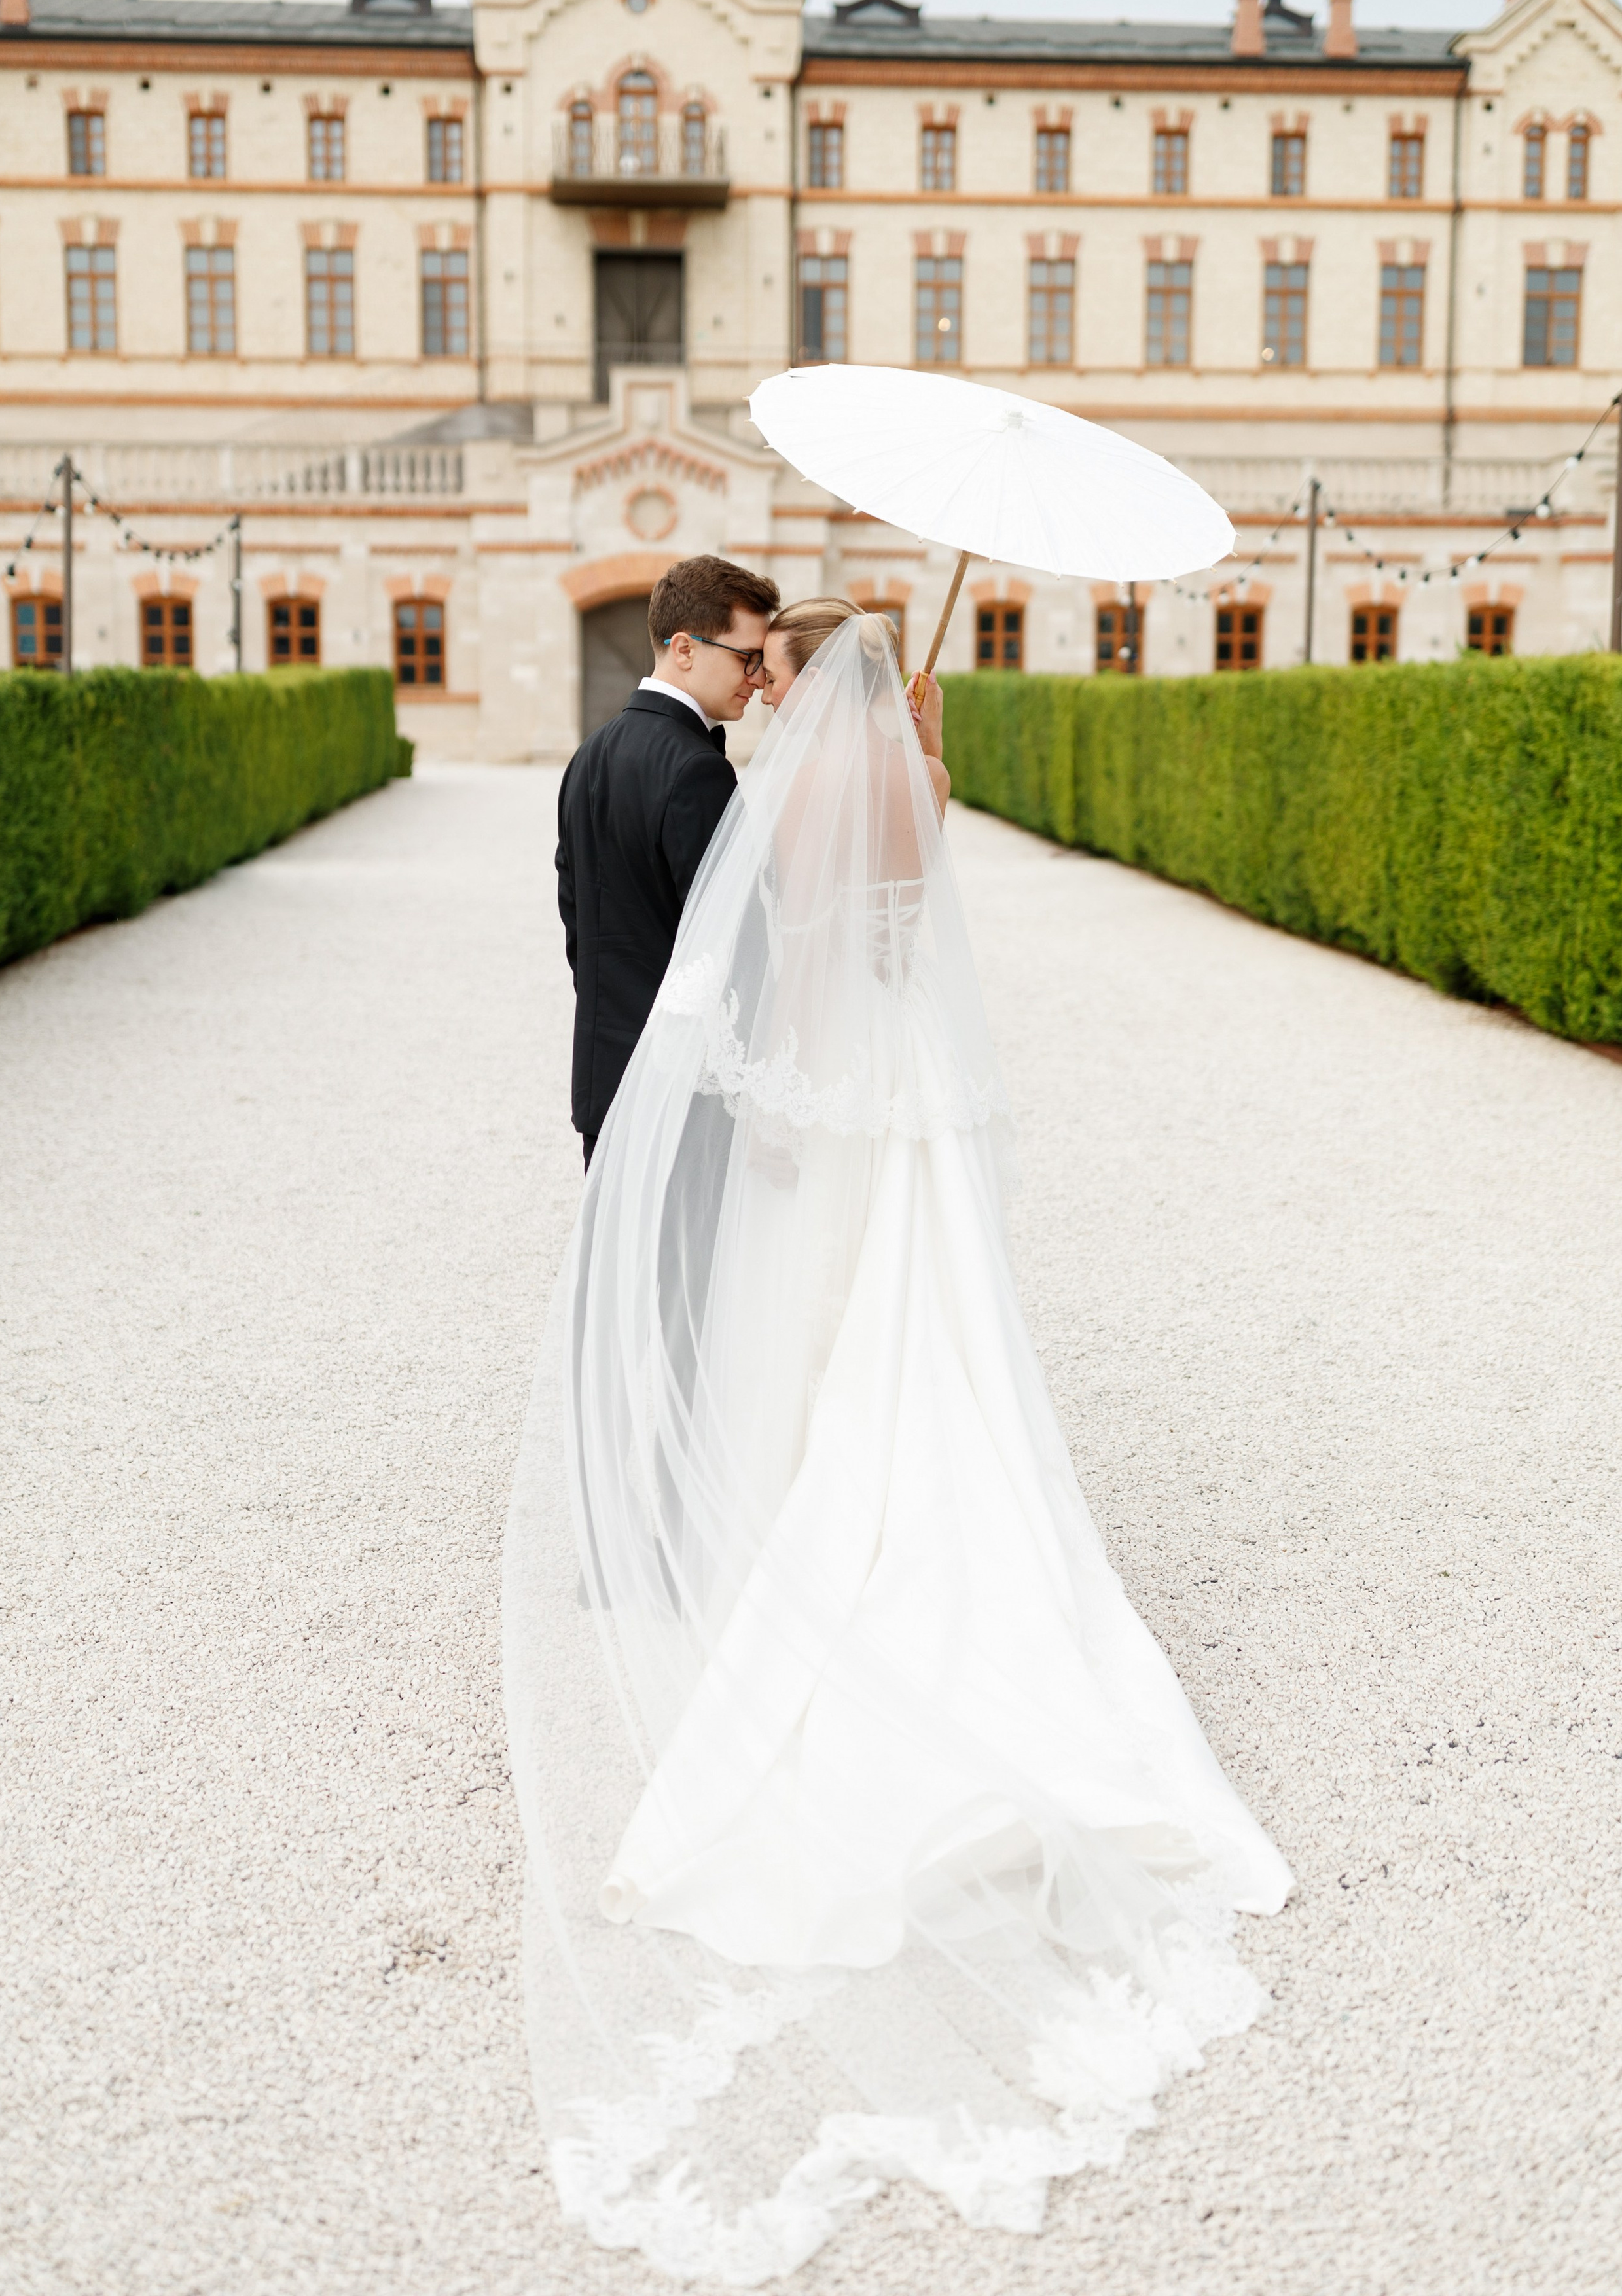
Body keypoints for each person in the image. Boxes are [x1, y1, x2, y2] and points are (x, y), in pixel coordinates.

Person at [506, 606, 1291, 2284]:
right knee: (933, 1331)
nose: (760, 688)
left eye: (774, 669)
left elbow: (786, 961)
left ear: (801, 680)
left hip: (842, 1079)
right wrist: (918, 748)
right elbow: (904, 920)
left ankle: (815, 1541)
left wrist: (762, 1100)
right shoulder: (918, 774)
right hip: (920, 1080)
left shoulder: (797, 781)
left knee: (821, 1331)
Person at [555, 555, 780, 1168]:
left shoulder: (590, 753)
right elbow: (734, 940)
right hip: (679, 1088)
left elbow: (577, 920)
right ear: (684, 648)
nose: (757, 678)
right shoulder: (698, 770)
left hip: (604, 1073)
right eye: (747, 656)